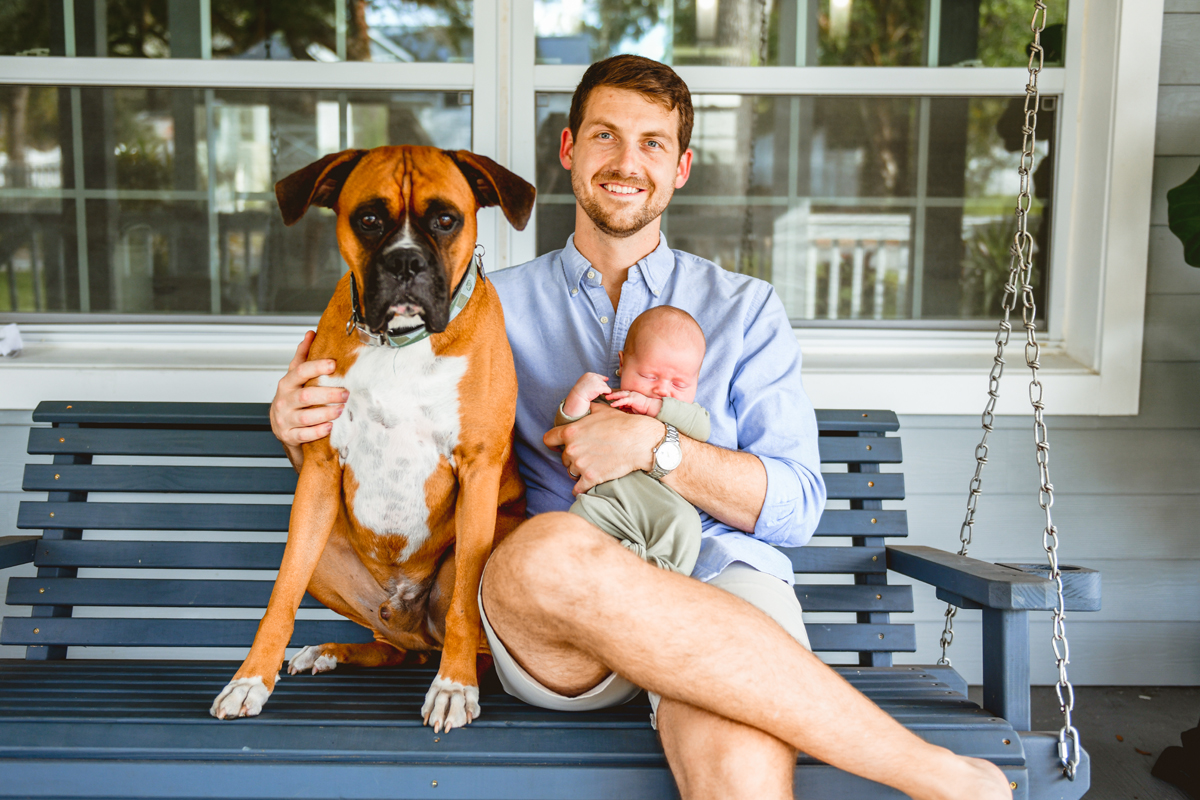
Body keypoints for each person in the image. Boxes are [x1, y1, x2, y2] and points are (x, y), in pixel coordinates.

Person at [271, 55, 1011, 800]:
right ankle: (934, 774)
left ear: (682, 166)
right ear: (568, 150)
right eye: (605, 136)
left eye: (653, 143)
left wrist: (663, 450)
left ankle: (938, 778)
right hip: (561, 615)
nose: (627, 163)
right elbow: (378, 409)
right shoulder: (480, 307)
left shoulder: (745, 309)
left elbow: (796, 507)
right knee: (544, 550)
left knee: (737, 766)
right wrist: (294, 420)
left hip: (720, 583)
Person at [556, 305, 711, 576]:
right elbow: (570, 433)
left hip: (661, 510)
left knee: (685, 524)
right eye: (650, 376)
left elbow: (702, 428)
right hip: (605, 505)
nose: (662, 389)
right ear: (623, 363)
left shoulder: (681, 414)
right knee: (577, 526)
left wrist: (653, 407)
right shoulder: (609, 402)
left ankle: (661, 577)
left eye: (679, 385)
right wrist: (578, 399)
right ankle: (626, 562)